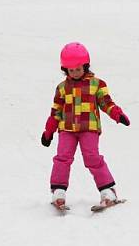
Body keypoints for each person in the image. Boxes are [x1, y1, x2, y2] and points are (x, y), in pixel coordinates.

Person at [40, 42, 130, 211]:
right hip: (67, 129)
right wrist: (49, 131)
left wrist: (117, 114)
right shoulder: (61, 88)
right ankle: (58, 191)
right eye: (70, 70)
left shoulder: (97, 84)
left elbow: (106, 103)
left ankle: (108, 191)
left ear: (86, 65)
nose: (74, 73)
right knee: (62, 158)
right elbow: (56, 112)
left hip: (89, 128)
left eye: (78, 69)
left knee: (92, 158)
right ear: (65, 70)